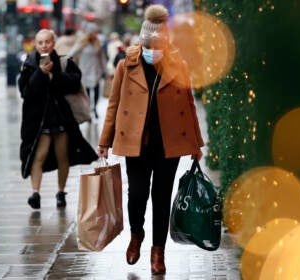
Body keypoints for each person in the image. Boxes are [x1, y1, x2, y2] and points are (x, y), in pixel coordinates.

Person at [97, 4, 204, 275]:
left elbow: (189, 104)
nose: (154, 48)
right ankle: (136, 235)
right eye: (150, 43)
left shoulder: (178, 65)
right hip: (136, 141)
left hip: (169, 143)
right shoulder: (126, 65)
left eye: (159, 43)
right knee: (137, 194)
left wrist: (196, 144)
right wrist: (104, 141)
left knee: (161, 196)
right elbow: (114, 103)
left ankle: (158, 252)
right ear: (143, 41)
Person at [18, 29, 98, 210]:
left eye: (47, 41)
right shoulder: (29, 64)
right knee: (38, 156)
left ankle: (61, 192)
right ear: (35, 45)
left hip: (61, 118)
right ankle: (35, 193)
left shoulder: (63, 62)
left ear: (53, 43)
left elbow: (75, 82)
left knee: (63, 156)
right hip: (38, 120)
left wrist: (54, 77)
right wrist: (40, 73)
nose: (44, 45)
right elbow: (26, 92)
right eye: (40, 42)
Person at [69, 22, 107, 119]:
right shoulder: (81, 43)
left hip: (96, 71)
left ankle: (94, 109)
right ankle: (89, 110)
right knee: (87, 94)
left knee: (97, 92)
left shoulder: (98, 43)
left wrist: (105, 70)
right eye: (94, 32)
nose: (96, 34)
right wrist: (72, 66)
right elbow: (71, 54)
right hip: (85, 71)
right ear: (90, 33)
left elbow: (102, 58)